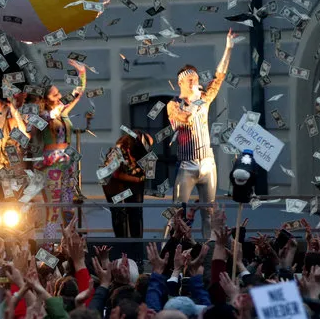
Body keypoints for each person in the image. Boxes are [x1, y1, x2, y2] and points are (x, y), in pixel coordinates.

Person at [167, 29, 236, 239]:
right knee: (177, 214)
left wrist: (228, 48)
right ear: (181, 83)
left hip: (207, 163)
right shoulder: (173, 104)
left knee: (210, 213)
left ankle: (209, 251)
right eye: (190, 80)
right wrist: (197, 100)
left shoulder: (204, 98)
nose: (194, 82)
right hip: (187, 165)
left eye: (195, 79)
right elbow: (184, 118)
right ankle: (169, 249)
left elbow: (219, 77)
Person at [33, 59, 87, 240]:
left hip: (67, 161)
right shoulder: (43, 115)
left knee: (68, 206)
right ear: (46, 99)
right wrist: (50, 114)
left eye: (58, 93)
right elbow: (33, 127)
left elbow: (77, 93)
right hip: (52, 163)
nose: (58, 96)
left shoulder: (62, 111)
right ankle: (48, 249)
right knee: (54, 208)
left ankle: (69, 245)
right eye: (54, 94)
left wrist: (82, 72)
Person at [101, 131, 153, 238]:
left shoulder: (143, 150)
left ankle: (136, 244)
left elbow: (147, 171)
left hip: (133, 180)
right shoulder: (118, 151)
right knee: (120, 213)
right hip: (114, 184)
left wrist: (142, 177)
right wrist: (137, 180)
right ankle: (122, 244)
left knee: (136, 211)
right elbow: (116, 174)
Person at [0, 86, 30, 200]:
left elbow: (26, 135)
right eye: (13, 94)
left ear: (25, 96)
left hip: (16, 166)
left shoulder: (28, 115)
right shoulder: (2, 109)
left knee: (13, 200)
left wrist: (15, 113)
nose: (16, 97)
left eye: (19, 94)